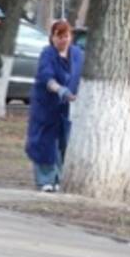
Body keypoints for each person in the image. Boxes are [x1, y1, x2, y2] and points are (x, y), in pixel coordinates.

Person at [25, 20, 83, 192]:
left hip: (68, 106)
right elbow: (47, 77)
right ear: (52, 37)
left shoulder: (77, 54)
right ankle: (45, 180)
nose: (63, 40)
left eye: (66, 36)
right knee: (45, 142)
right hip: (46, 105)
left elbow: (82, 75)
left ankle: (59, 178)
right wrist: (60, 90)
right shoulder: (47, 54)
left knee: (65, 142)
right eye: (59, 36)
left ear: (71, 37)